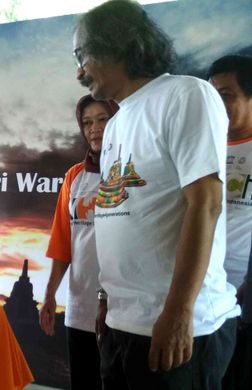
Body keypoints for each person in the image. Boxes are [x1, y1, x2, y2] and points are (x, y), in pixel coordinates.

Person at [73, 1, 240, 388]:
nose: (79, 71)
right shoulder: (117, 123)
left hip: (180, 328)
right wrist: (107, 300)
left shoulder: (185, 96)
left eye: (82, 55)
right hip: (122, 324)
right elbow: (124, 213)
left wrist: (179, 312)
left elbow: (207, 203)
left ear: (116, 43)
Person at [39, 95, 118, 390]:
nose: (94, 129)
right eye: (87, 123)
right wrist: (49, 295)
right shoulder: (75, 175)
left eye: (102, 119)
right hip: (79, 306)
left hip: (120, 308)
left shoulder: (131, 173)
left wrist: (108, 298)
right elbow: (63, 240)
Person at [207, 54, 252, 390]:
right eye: (213, 95)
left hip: (243, 296)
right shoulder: (204, 147)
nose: (217, 104)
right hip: (205, 297)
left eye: (227, 94)